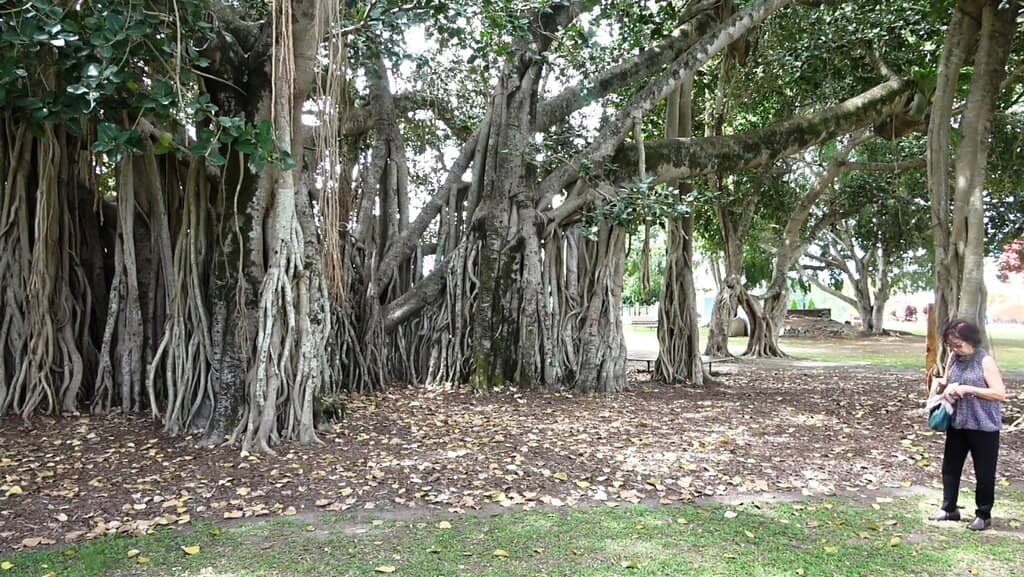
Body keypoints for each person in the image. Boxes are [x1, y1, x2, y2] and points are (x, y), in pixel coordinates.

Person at [929, 319, 1007, 531]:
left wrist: (970, 389)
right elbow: (947, 378)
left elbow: (999, 393)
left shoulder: (985, 361)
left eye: (959, 344)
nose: (955, 349)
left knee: (984, 472)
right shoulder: (954, 358)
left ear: (971, 340)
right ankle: (949, 509)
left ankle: (983, 514)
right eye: (951, 345)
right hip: (958, 422)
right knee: (950, 468)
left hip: (984, 427)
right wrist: (942, 385)